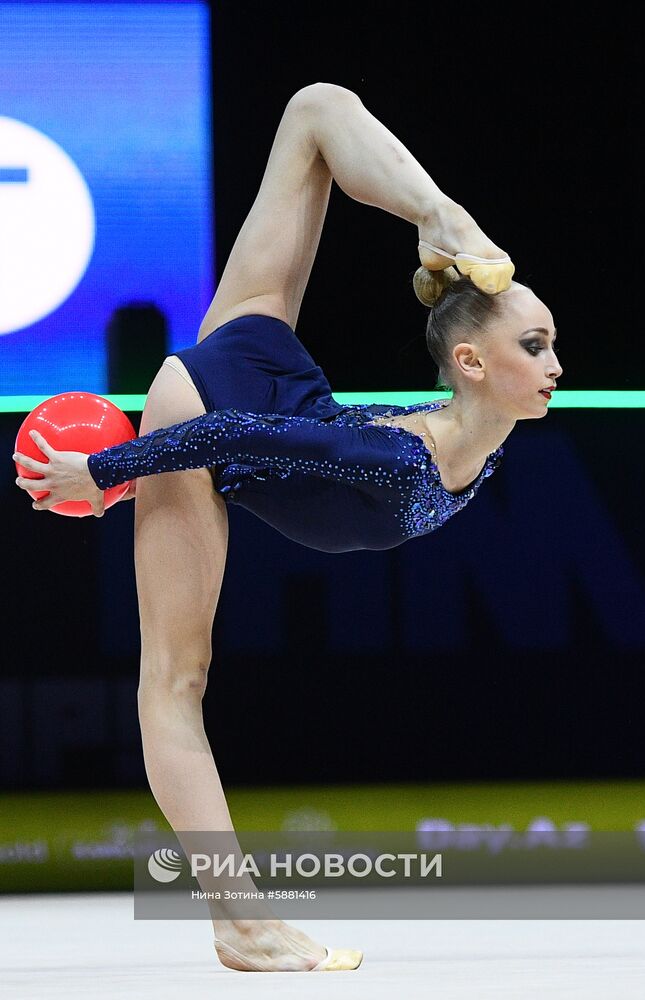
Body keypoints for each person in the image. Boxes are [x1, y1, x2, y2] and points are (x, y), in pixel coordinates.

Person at [13, 83, 562, 970]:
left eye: (549, 342)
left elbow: (281, 427)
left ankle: (438, 218)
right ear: (469, 362)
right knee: (174, 680)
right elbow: (229, 435)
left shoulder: (478, 437)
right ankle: (239, 923)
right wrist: (102, 470)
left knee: (314, 106)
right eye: (533, 346)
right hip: (202, 412)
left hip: (265, 356)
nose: (555, 365)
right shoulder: (403, 456)